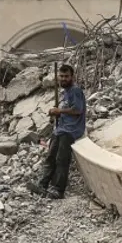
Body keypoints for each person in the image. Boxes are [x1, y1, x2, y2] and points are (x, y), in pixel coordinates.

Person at [37, 64, 86, 199]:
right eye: (61, 76)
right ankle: (42, 185)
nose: (63, 79)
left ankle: (58, 190)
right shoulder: (65, 92)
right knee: (50, 157)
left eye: (66, 76)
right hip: (60, 130)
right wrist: (56, 113)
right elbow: (66, 110)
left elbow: (78, 110)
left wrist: (59, 110)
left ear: (72, 77)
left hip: (71, 130)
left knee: (61, 159)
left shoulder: (75, 91)